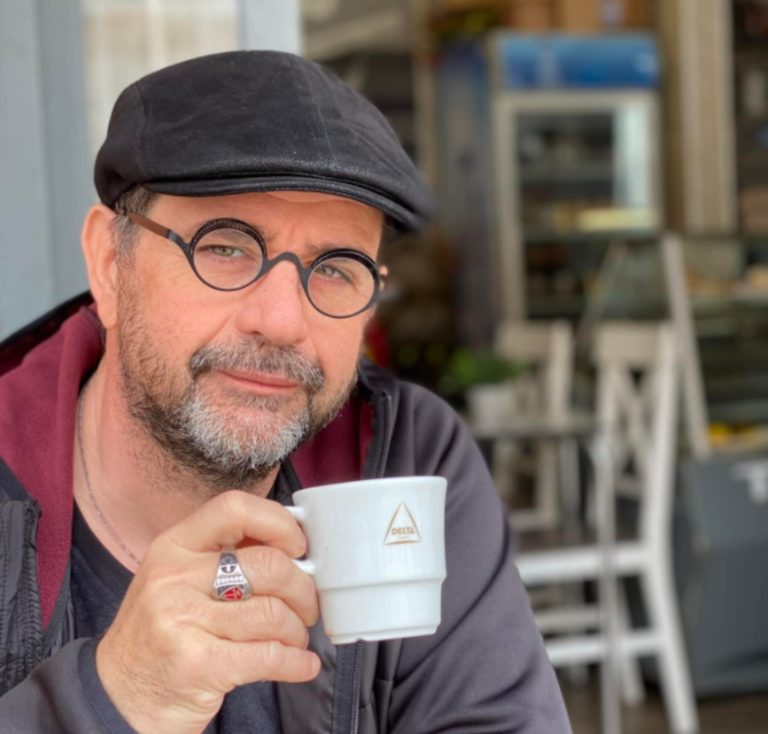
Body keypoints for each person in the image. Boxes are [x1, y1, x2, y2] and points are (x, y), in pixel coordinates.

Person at [0, 50, 571, 733]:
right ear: (109, 265)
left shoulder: (405, 455)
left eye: (336, 267)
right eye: (225, 246)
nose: (281, 320)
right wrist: (108, 701)